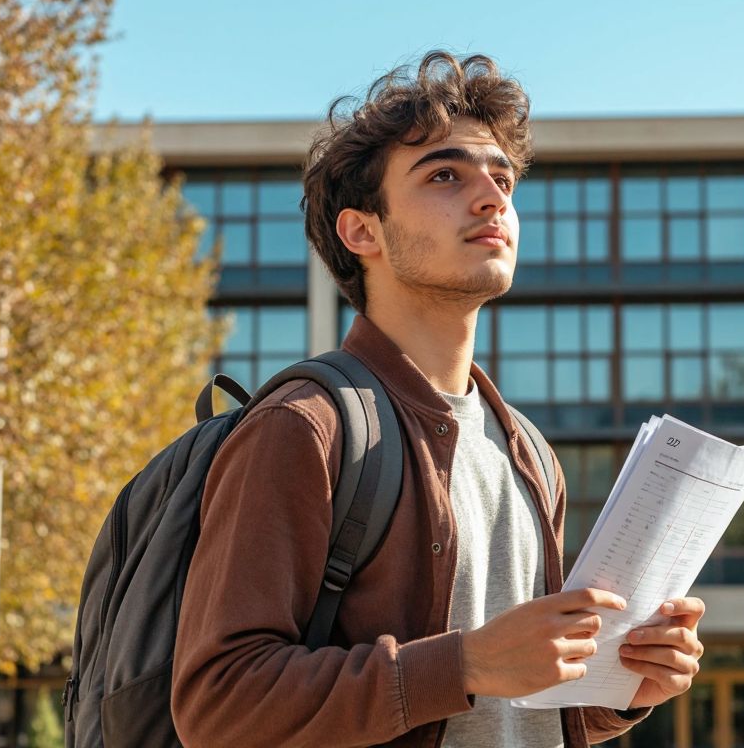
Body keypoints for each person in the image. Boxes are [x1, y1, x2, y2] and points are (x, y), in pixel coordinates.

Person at [171, 51, 706, 748]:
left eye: (502, 178)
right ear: (363, 231)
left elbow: (511, 712)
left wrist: (626, 690)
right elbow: (219, 706)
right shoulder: (306, 427)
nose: (492, 198)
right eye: (445, 175)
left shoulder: (531, 454)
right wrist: (467, 661)